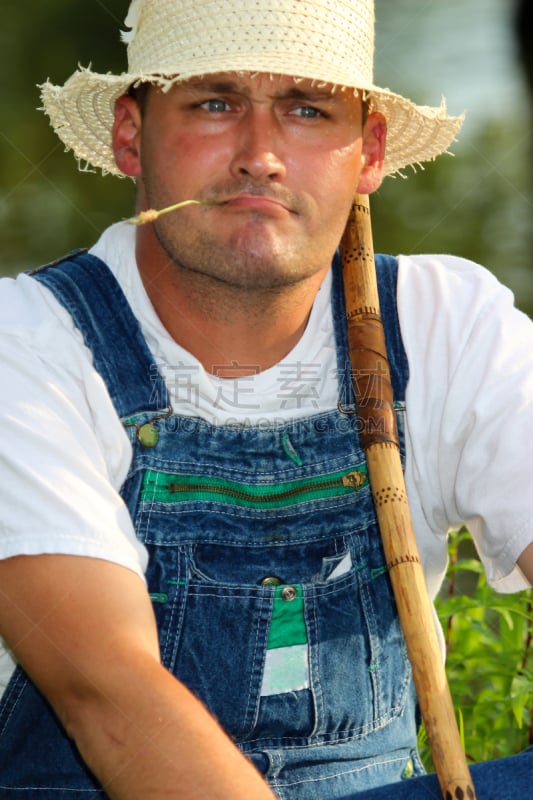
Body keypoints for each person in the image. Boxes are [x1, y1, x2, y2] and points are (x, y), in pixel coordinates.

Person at [0, 1, 531, 798]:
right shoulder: (30, 344)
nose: (261, 156)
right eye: (213, 103)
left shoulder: (443, 321)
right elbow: (108, 696)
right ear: (128, 135)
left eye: (307, 111)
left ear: (368, 153)